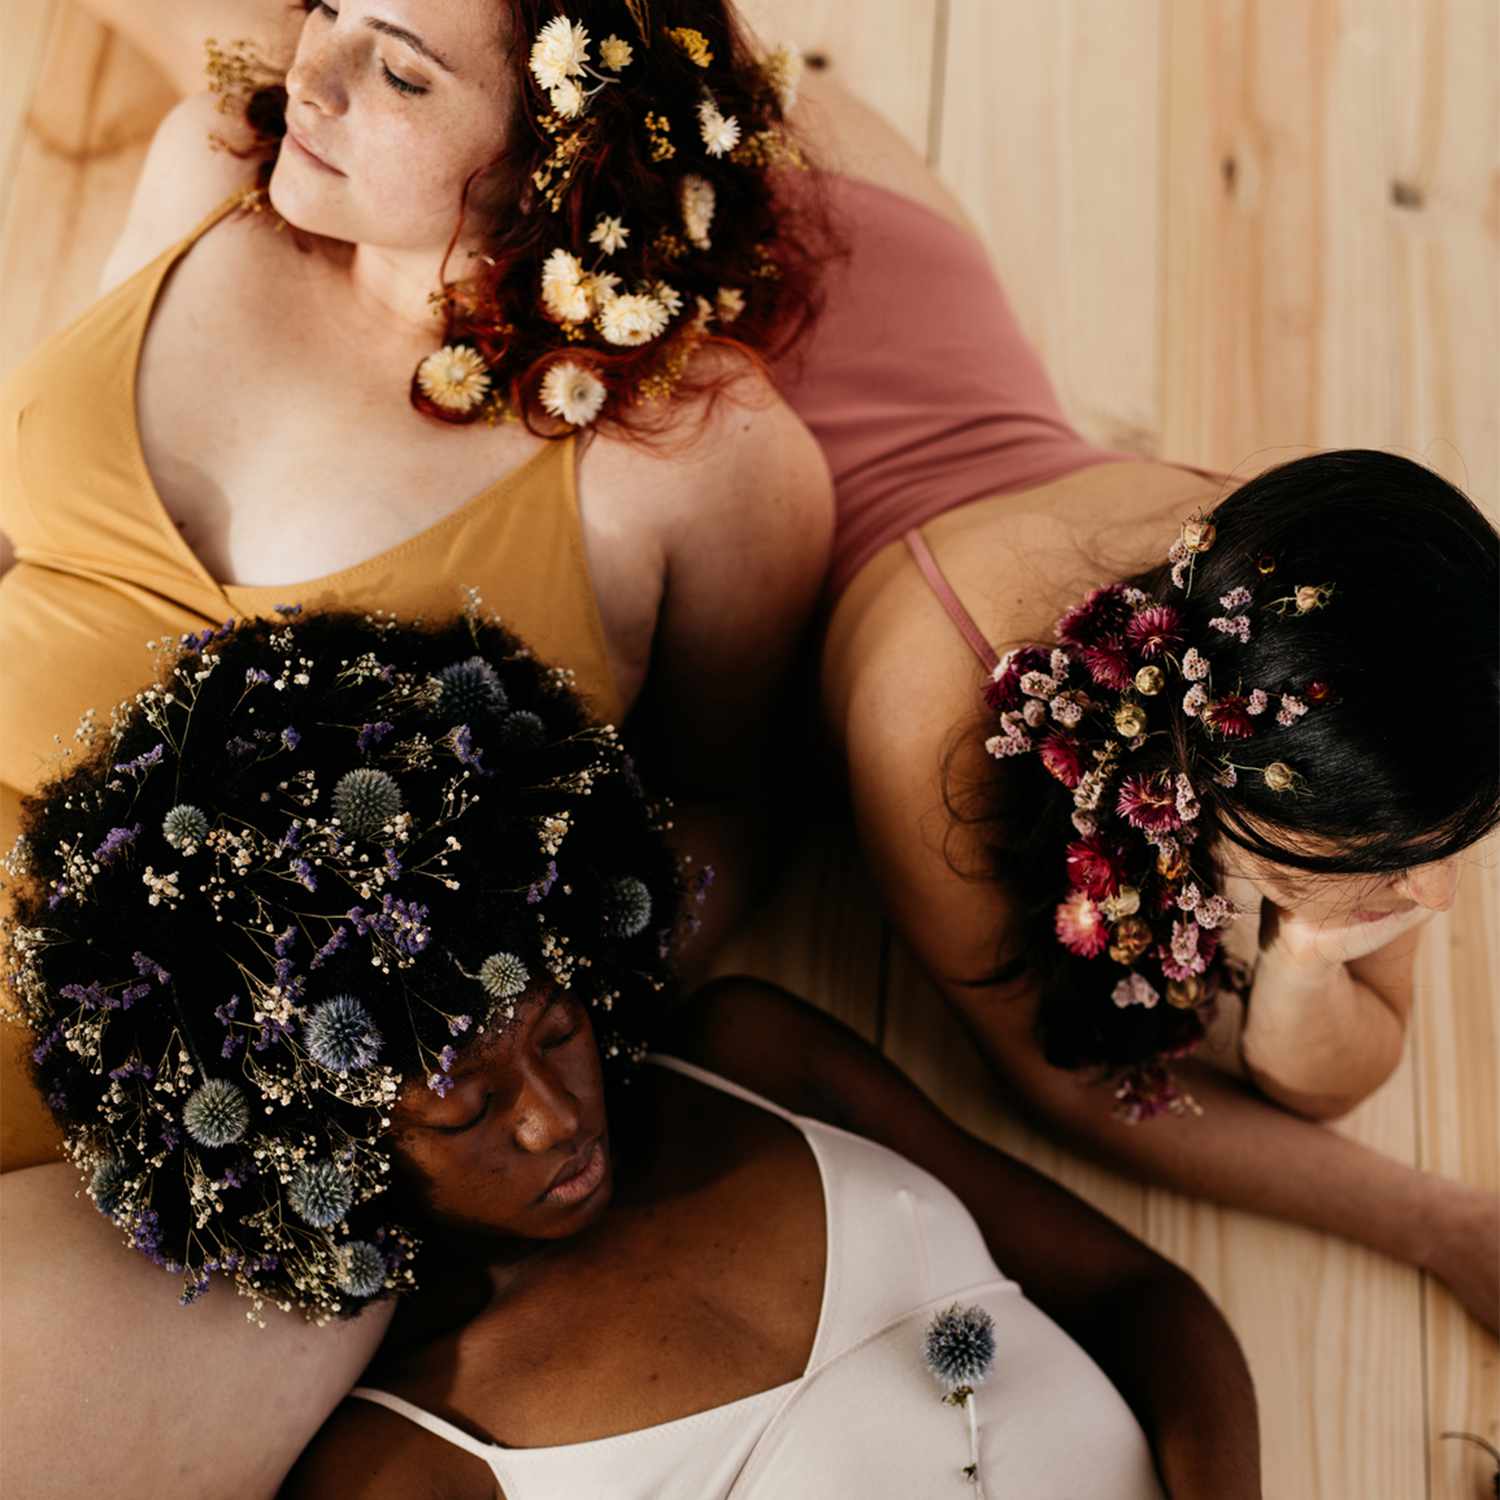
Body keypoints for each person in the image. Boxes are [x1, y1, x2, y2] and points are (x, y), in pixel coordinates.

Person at [2, 609, 1260, 1499]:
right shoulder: (407, 1461)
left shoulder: (748, 1057)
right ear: (320, 1144)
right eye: (466, 1106)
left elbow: (1146, 1301)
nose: (558, 1117)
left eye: (558, 1032)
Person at [0, 0, 834, 1170]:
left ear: (564, 147)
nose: (313, 77)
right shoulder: (213, 165)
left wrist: (484, 1058)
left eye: (399, 73)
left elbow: (731, 802)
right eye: (328, 6)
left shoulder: (690, 455)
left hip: (156, 1070)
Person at [780, 73, 1499, 1331]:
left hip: (899, 293)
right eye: (1403, 863)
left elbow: (1341, 1068)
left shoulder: (1318, 624)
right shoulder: (934, 721)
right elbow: (1059, 1081)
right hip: (811, 234)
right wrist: (1439, 1225)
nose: (1438, 897)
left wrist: (1312, 951)